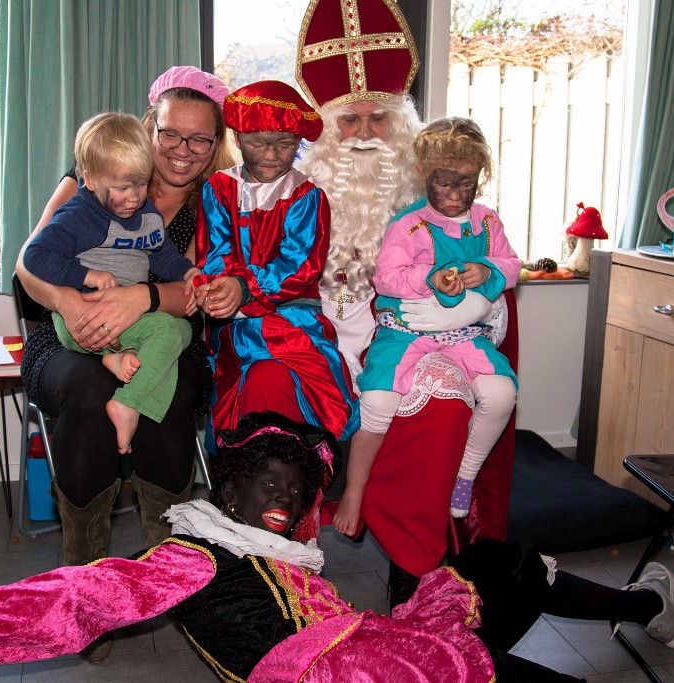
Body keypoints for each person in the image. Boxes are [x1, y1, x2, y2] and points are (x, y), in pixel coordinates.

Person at [0, 411, 674, 683]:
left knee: (495, 559)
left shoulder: (283, 554)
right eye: (267, 483)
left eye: (297, 487)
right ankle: (643, 603)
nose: (284, 498)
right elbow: (78, 596)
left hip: (389, 651)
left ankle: (643, 603)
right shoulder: (196, 554)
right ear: (227, 492)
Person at [295, 0, 518, 605]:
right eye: (349, 121)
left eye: (380, 120)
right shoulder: (296, 194)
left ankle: (412, 561)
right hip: (312, 345)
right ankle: (280, 572)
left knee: (442, 410)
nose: (366, 135)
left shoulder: (438, 203)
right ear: (325, 130)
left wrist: (476, 307)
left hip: (413, 343)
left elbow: (495, 271)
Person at [15, 66, 236, 578]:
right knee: (89, 389)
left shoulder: (214, 201)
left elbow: (190, 293)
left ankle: (163, 570)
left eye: (200, 139)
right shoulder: (94, 174)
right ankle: (82, 572)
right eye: (170, 133)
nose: (183, 150)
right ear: (149, 127)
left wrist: (142, 297)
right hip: (70, 329)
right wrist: (70, 303)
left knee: (169, 389)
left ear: (216, 144)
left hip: (158, 327)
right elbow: (29, 263)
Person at [332, 116, 520, 536]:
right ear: (423, 174)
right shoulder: (408, 224)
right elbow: (386, 279)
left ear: (480, 175)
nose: (455, 196)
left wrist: (486, 269)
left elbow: (511, 265)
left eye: (466, 184)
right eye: (444, 183)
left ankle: (465, 476)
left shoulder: (488, 222)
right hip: (406, 330)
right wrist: (429, 279)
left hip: (463, 334)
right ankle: (354, 489)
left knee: (502, 393)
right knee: (378, 401)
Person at [191, 80, 360, 540]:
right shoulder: (218, 189)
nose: (271, 154)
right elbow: (213, 252)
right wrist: (221, 286)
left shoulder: (308, 196)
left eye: (285, 144)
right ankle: (242, 521)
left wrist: (244, 287)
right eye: (259, 142)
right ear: (237, 138)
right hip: (234, 329)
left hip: (293, 322)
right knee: (245, 395)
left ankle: (294, 523)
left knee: (285, 388)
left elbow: (300, 267)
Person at [22, 111, 200, 456]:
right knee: (169, 333)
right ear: (89, 179)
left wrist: (186, 271)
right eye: (122, 188)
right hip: (81, 320)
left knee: (181, 331)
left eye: (141, 184)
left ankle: (117, 363)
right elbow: (35, 256)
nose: (134, 197)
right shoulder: (78, 217)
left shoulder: (145, 214)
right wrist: (84, 276)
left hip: (125, 318)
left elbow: (161, 255)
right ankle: (128, 400)